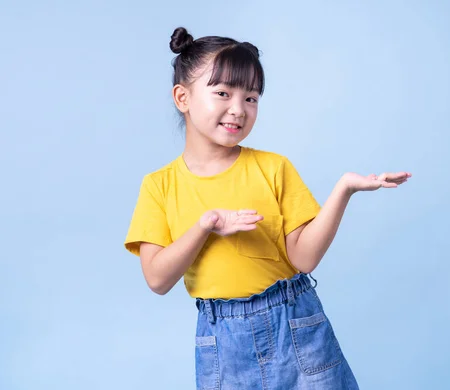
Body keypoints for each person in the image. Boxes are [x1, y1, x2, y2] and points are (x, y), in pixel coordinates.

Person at [124, 26, 411, 390]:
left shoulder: (274, 168)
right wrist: (206, 226)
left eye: (251, 98)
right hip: (221, 340)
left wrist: (344, 190)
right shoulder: (159, 186)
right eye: (223, 93)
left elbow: (303, 259)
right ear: (183, 97)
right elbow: (157, 279)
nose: (238, 110)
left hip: (295, 323)